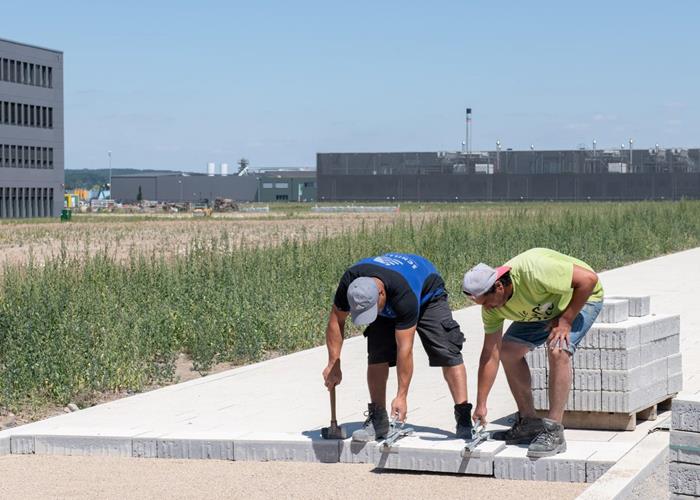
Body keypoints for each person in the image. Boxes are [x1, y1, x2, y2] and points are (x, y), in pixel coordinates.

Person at [462, 247, 603, 457]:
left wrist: (565, 320)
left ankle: (554, 431)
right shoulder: (491, 307)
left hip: (580, 298)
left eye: (488, 303)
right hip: (546, 309)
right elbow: (489, 354)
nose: (489, 309)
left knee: (557, 348)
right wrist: (481, 403)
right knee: (508, 351)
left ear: (499, 286)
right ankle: (528, 422)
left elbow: (588, 279)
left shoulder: (533, 270)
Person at [322, 253, 472, 441]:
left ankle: (464, 418)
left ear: (381, 294)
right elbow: (336, 320)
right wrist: (333, 362)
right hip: (391, 290)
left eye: (372, 310)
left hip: (427, 294)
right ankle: (378, 420)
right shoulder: (350, 283)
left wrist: (402, 395)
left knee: (446, 350)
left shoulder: (404, 295)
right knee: (377, 353)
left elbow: (405, 349)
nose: (371, 315)